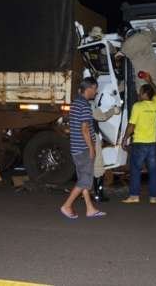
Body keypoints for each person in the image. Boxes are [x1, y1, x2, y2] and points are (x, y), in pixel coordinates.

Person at [60, 77, 107, 219]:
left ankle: (90, 209)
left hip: (76, 147)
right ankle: (67, 205)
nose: (96, 91)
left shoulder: (75, 103)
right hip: (83, 149)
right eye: (95, 88)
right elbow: (85, 129)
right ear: (90, 88)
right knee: (85, 180)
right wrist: (92, 148)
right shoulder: (85, 105)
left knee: (83, 179)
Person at [121, 72, 156, 204]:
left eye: (140, 92)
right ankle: (153, 197)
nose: (139, 94)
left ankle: (134, 196)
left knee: (136, 170)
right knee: (153, 171)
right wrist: (150, 81)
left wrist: (124, 138)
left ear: (145, 94)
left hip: (139, 143)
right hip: (152, 144)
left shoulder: (137, 106)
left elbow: (131, 125)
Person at [115, 21, 156, 93]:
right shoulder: (144, 34)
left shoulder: (126, 45)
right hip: (154, 70)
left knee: (144, 97)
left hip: (142, 75)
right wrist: (151, 28)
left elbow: (118, 57)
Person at [92, 105, 121, 202]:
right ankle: (98, 195)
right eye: (94, 88)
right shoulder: (90, 104)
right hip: (92, 137)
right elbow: (102, 117)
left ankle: (89, 193)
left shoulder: (79, 104)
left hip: (84, 139)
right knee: (98, 167)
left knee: (89, 167)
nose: (95, 90)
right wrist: (113, 110)